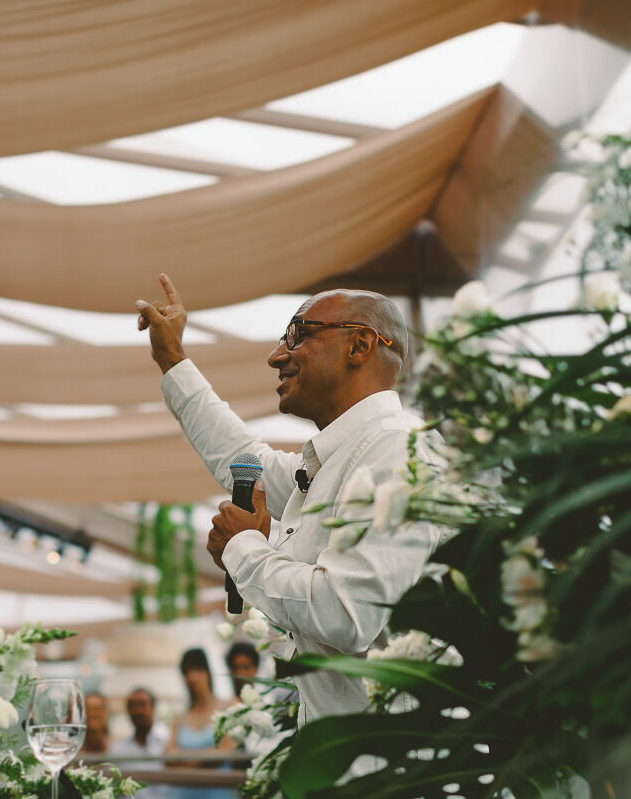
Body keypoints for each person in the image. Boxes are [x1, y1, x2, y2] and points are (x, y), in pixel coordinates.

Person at [136, 274, 445, 725]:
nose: (276, 356)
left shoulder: (395, 451)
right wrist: (172, 358)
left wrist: (243, 550)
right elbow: (242, 459)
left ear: (360, 345)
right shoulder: (340, 461)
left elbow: (347, 613)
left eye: (299, 334)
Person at [164, 648, 236, 799]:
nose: (192, 677)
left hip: (218, 792)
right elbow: (168, 759)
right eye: (186, 672)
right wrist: (209, 754)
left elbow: (226, 751)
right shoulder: (179, 717)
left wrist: (183, 759)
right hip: (182, 794)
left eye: (197, 669)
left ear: (207, 671)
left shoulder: (229, 707)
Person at [108, 687, 171, 762]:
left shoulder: (168, 742)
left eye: (142, 705)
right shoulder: (117, 750)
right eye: (132, 706)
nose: (137, 711)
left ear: (153, 707)